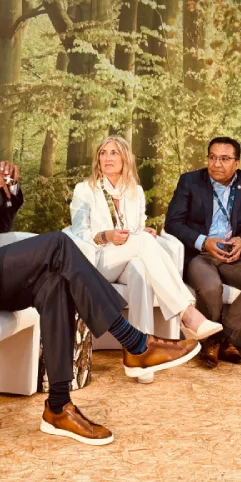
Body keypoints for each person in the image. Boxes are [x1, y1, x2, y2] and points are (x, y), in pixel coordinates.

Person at [0, 113, 200, 446]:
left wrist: (9, 193)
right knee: (59, 243)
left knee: (54, 283)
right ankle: (134, 342)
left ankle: (58, 407)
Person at [69, 136, 223, 362]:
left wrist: (143, 232)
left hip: (125, 260)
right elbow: (78, 232)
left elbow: (136, 230)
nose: (107, 157)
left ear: (125, 158)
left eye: (114, 152)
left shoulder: (136, 192)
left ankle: (142, 353)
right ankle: (187, 313)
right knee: (143, 242)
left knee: (140, 271)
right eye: (103, 153)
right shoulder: (85, 189)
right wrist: (106, 236)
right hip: (97, 260)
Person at [164, 137, 241, 369]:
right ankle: (218, 341)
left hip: (232, 254)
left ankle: (219, 339)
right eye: (212, 157)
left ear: (237, 163)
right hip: (199, 253)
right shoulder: (190, 181)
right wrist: (203, 242)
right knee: (211, 287)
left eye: (224, 159)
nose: (217, 164)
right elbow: (172, 223)